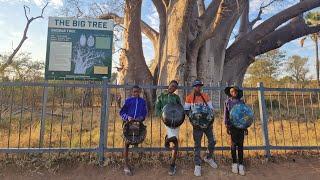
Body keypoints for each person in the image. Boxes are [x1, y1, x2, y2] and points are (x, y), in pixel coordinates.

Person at [184, 79, 217, 177]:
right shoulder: (189, 98)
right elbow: (186, 111)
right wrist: (193, 119)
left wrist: (209, 120)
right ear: (193, 87)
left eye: (199, 86)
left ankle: (208, 157)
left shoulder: (206, 96)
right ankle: (197, 165)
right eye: (196, 86)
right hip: (197, 126)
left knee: (212, 141)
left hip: (207, 125)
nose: (198, 87)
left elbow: (211, 110)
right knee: (197, 145)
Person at [119, 85, 147, 176]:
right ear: (132, 92)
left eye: (137, 92)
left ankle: (138, 161)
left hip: (138, 125)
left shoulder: (142, 102)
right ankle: (126, 165)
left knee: (137, 141)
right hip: (128, 124)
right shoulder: (128, 101)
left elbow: (144, 113)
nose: (136, 93)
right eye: (134, 92)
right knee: (127, 144)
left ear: (140, 92)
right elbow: (122, 112)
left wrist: (141, 118)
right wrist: (128, 117)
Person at [155, 80, 182, 176]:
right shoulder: (161, 97)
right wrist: (162, 116)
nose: (173, 88)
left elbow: (180, 109)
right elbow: (157, 109)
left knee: (174, 141)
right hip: (167, 122)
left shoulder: (176, 97)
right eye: (172, 85)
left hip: (176, 123)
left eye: (175, 87)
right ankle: (167, 140)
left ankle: (172, 164)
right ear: (169, 85)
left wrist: (180, 117)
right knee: (174, 140)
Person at [224, 86, 248, 176]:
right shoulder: (227, 102)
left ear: (237, 92)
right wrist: (227, 125)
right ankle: (234, 163)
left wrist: (245, 127)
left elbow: (245, 114)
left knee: (241, 145)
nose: (234, 92)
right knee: (233, 145)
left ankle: (241, 164)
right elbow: (226, 114)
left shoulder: (241, 102)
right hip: (232, 126)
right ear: (230, 92)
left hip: (241, 126)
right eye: (232, 91)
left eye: (235, 91)